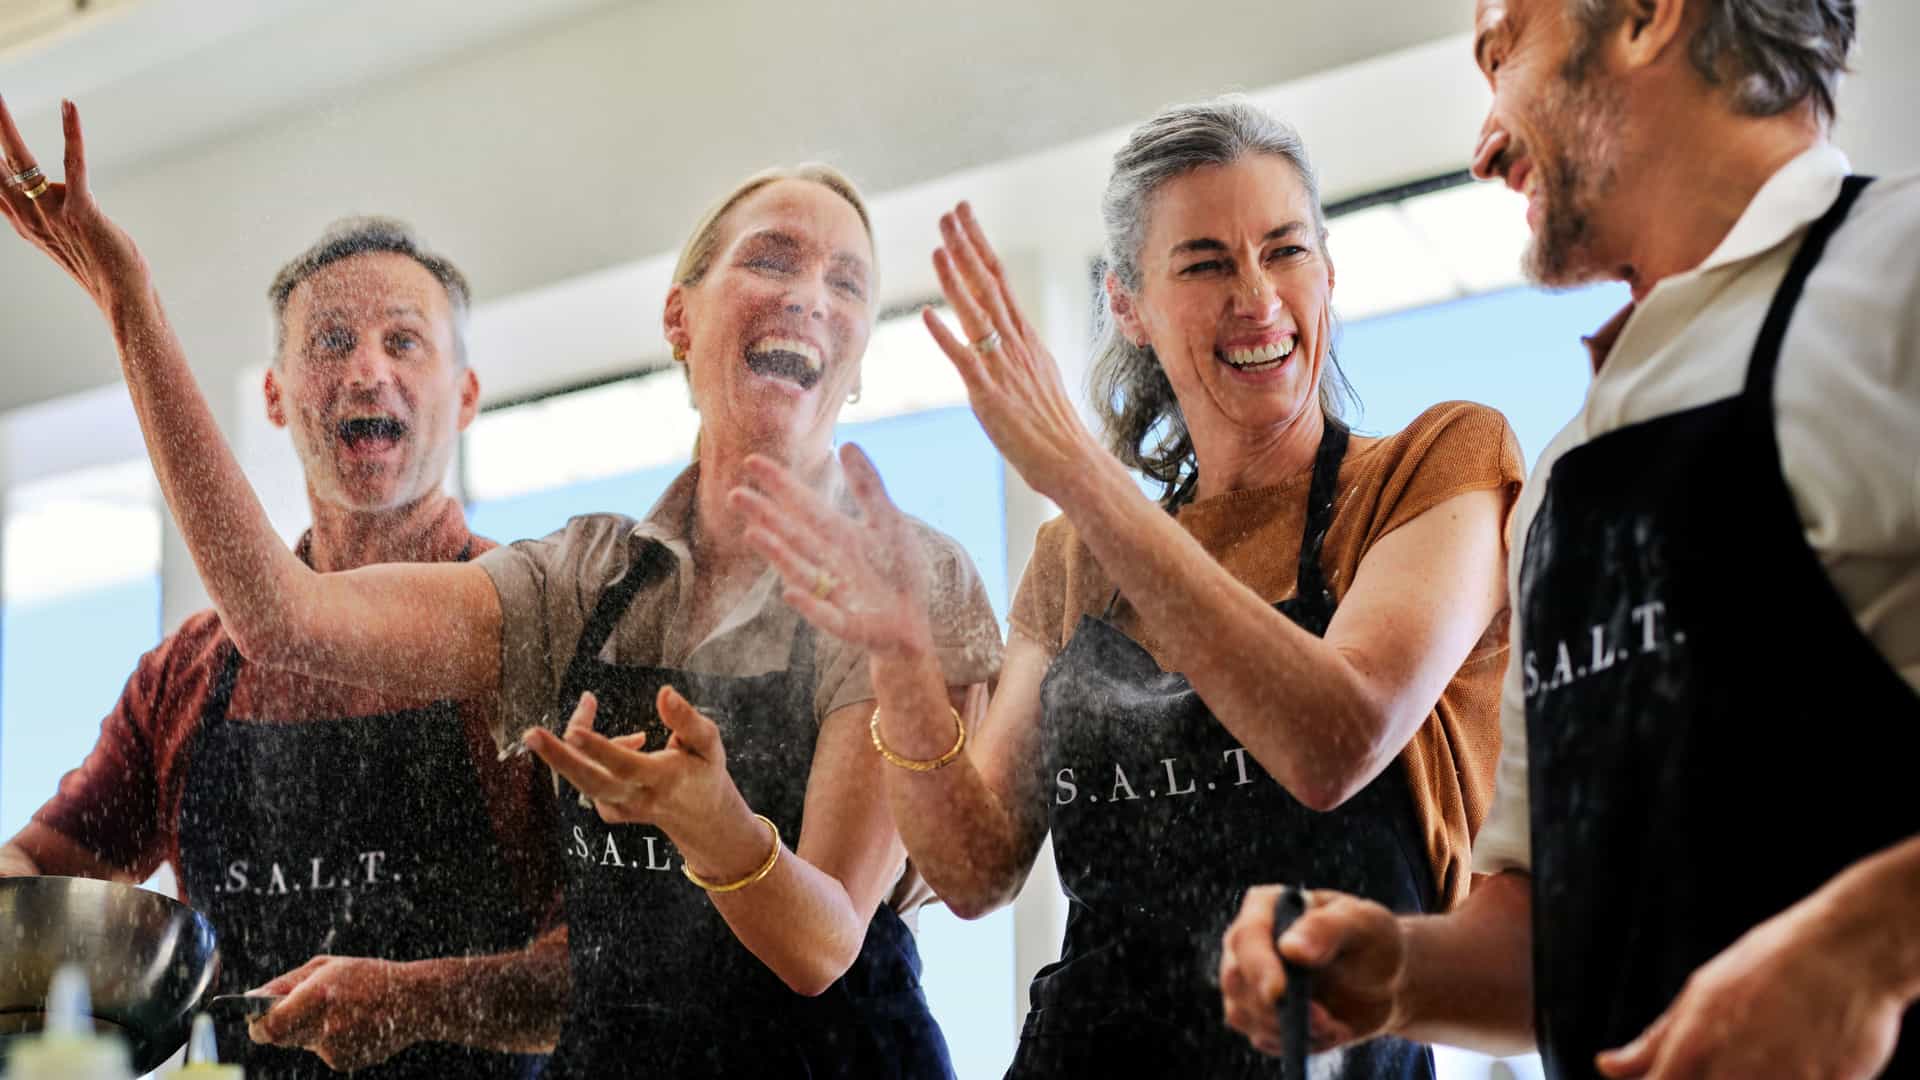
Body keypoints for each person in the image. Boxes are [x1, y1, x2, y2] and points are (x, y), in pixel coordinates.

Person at [0, 95, 1002, 1078]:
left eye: (849, 283)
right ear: (678, 317)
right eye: (772, 259)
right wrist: (130, 304)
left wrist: (717, 829)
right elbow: (280, 621)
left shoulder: (907, 579)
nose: (808, 296)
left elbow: (823, 945)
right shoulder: (582, 583)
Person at [733, 98, 1523, 1077]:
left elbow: (1338, 737)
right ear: (1129, 306)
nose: (1258, 296)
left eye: (1285, 251)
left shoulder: (1432, 467)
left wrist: (1084, 478)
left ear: (1328, 272)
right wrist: (900, 656)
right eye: (1204, 263)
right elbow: (976, 868)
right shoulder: (1078, 559)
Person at [1218, 1, 1920, 1076]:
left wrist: (1870, 945)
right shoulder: (1563, 477)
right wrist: (1399, 970)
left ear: (1644, 17)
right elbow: (1546, 935)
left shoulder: (1900, 276)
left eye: (1505, 54)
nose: (1486, 145)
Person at [0, 203, 564, 1074]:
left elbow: (607, 969)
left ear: (467, 394)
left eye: (404, 341)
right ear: (274, 395)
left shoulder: (545, 635)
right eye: (331, 341)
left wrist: (417, 999)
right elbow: (42, 874)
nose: (367, 370)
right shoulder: (182, 676)